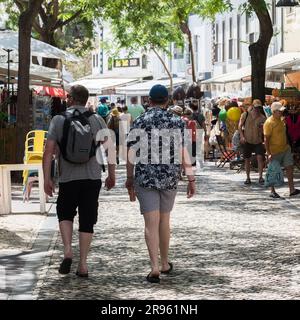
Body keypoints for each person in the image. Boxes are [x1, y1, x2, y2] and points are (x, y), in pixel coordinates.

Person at [43, 85, 116, 277]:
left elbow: (48, 151)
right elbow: (110, 149)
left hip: (67, 178)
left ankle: (68, 250)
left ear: (70, 99)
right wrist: (111, 174)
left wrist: (46, 179)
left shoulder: (58, 120)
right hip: (91, 177)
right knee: (87, 219)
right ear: (85, 100)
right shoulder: (97, 119)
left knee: (65, 213)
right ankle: (83, 264)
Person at [126, 84, 196, 284]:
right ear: (167, 101)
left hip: (145, 177)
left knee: (150, 223)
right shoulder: (177, 122)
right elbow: (184, 152)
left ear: (148, 100)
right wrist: (191, 178)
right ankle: (165, 263)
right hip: (169, 177)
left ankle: (154, 267)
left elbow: (131, 153)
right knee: (165, 220)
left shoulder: (139, 121)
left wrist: (129, 178)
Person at [263, 102, 300, 198]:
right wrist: (268, 152)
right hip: (274, 151)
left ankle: (292, 190)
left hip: (285, 149)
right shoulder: (269, 123)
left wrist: (288, 144)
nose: (282, 112)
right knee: (273, 170)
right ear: (274, 111)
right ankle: (272, 191)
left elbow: (285, 134)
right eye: (280, 111)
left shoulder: (282, 120)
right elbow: (266, 139)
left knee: (290, 167)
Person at [239, 99, 266, 185]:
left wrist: (262, 129)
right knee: (247, 159)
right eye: (256, 107)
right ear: (252, 107)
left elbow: (265, 131)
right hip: (247, 140)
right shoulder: (245, 115)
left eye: (259, 108)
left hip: (257, 140)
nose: (257, 109)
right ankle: (248, 177)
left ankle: (260, 177)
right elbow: (239, 126)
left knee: (260, 158)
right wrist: (242, 136)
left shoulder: (262, 118)